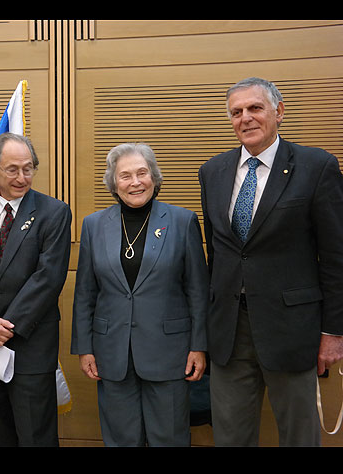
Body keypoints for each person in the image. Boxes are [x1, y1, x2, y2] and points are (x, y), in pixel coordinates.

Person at [198, 77, 343, 446]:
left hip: (293, 330)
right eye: (236, 112)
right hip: (229, 332)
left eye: (254, 108)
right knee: (230, 438)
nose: (245, 118)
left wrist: (333, 332)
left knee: (299, 437)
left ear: (279, 111)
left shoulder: (316, 166)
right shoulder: (212, 172)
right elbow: (218, 254)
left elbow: (335, 256)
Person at [71, 143, 208, 447]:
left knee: (169, 438)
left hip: (170, 353)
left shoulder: (182, 221)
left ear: (154, 177)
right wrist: (85, 348)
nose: (135, 182)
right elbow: (85, 293)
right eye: (125, 175)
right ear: (114, 183)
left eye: (142, 173)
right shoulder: (94, 225)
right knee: (121, 439)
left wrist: (199, 346)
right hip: (112, 353)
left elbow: (198, 290)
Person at [0, 133, 71, 447]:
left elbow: (48, 279)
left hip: (30, 347)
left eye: (27, 168)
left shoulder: (55, 213)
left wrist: (4, 328)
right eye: (12, 169)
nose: (21, 177)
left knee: (36, 438)